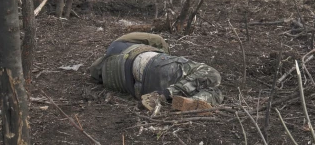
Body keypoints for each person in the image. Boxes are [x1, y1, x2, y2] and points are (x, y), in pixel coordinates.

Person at [89, 32, 223, 112]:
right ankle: (164, 94)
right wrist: (168, 58)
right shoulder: (119, 42)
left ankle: (192, 102)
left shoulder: (106, 73)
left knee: (215, 91)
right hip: (149, 64)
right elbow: (157, 40)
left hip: (140, 90)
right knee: (212, 74)